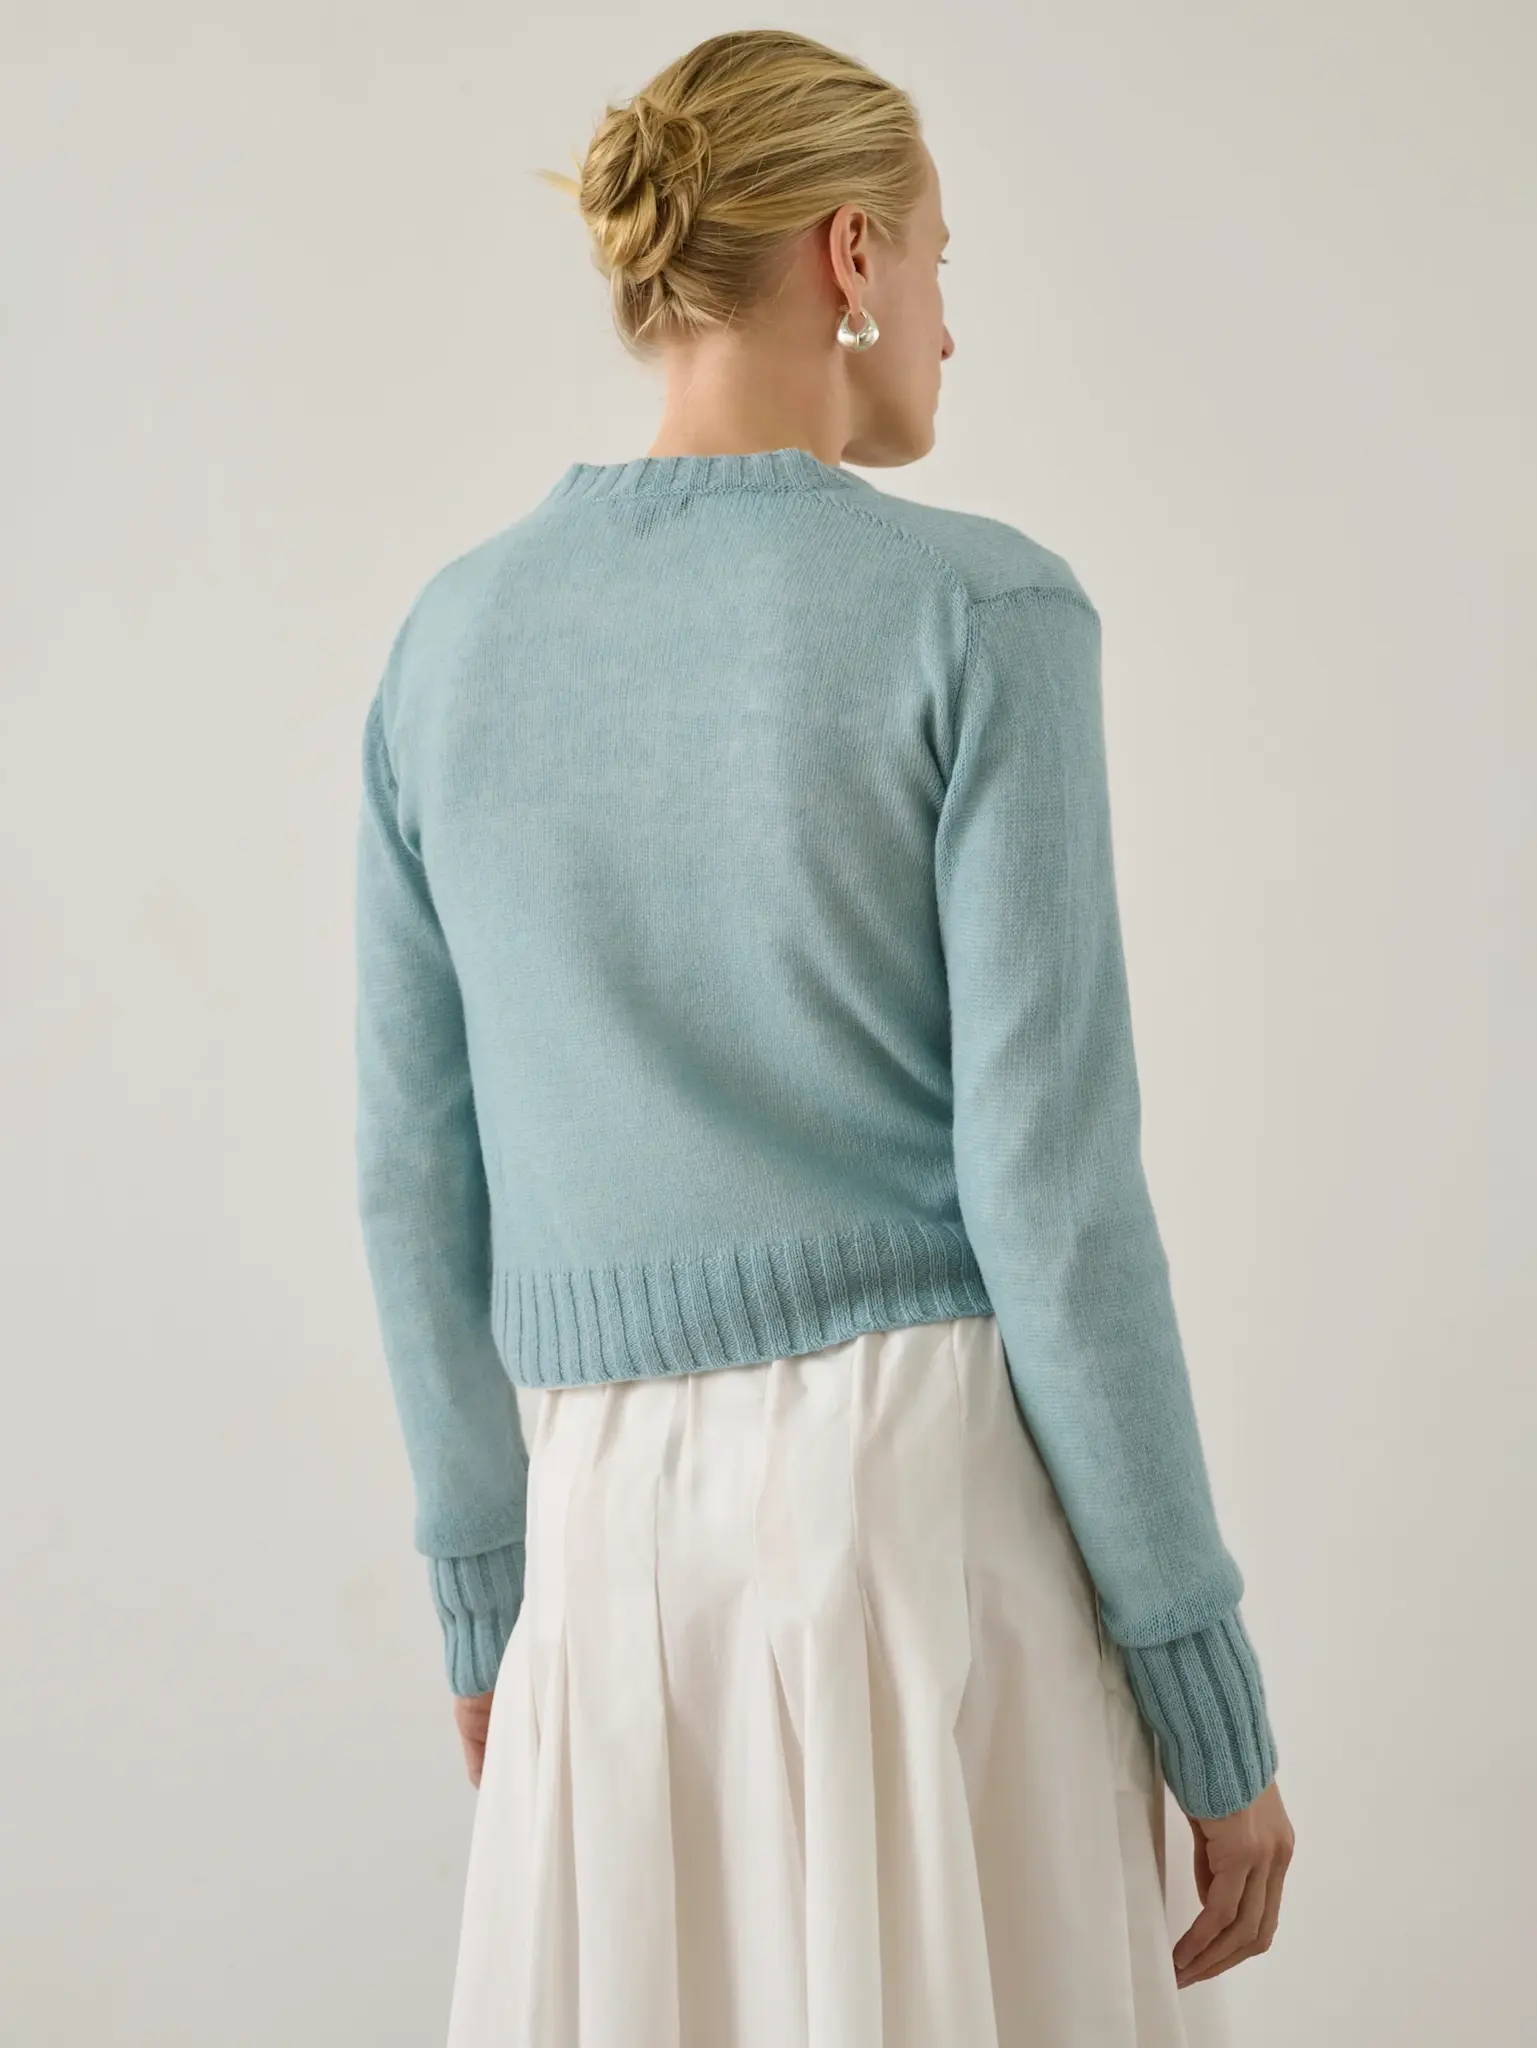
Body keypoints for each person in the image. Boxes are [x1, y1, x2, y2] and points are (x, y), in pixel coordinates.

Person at [352, 26, 1295, 2046]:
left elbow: (411, 1178)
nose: (952, 327)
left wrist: (486, 1595)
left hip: (603, 1549)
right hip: (919, 1533)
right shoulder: (985, 615)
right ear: (852, 255)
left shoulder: (448, 646)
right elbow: (1055, 1202)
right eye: (944, 262)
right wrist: (1204, 1689)